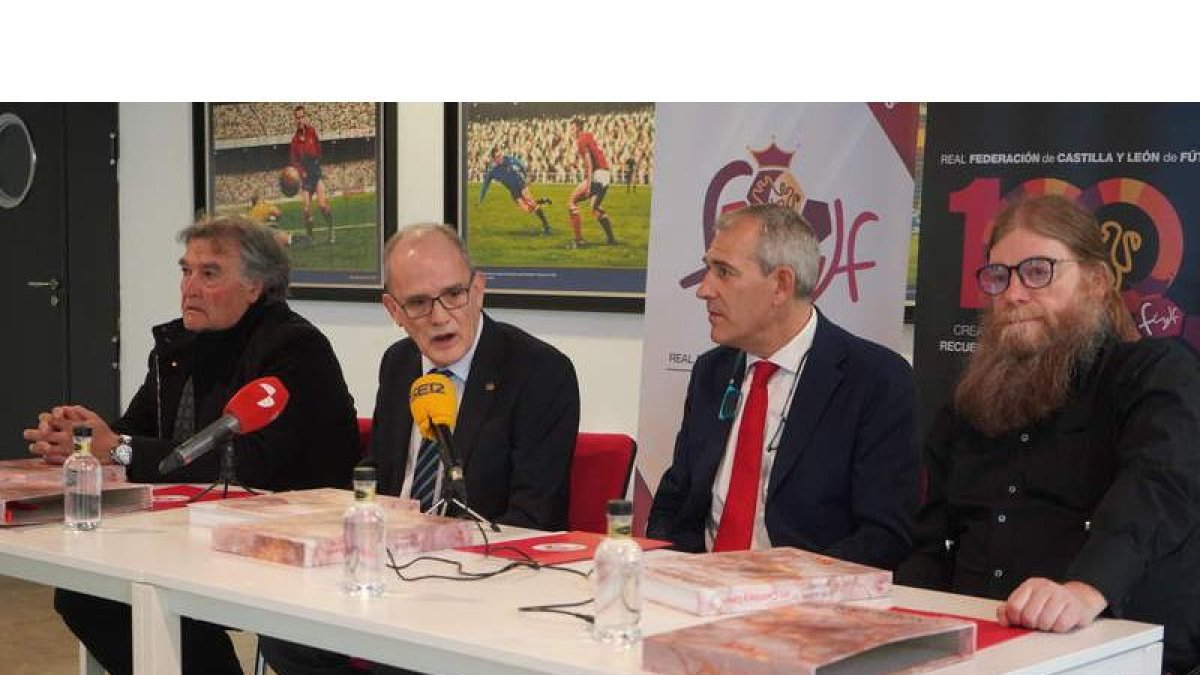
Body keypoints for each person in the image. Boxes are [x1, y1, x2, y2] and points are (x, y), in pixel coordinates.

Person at [23, 214, 361, 675]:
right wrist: (79, 438)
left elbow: (244, 465)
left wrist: (117, 447)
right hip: (190, 528)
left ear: (256, 286)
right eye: (186, 271)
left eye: (209, 274)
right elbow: (134, 429)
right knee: (88, 594)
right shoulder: (178, 346)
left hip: (283, 540)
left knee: (139, 591)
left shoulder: (293, 349)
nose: (190, 287)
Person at [259, 223, 581, 675]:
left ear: (479, 288)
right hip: (389, 570)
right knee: (283, 630)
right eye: (418, 302)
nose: (440, 315)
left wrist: (431, 560)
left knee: (403, 657)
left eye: (454, 293)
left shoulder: (539, 372)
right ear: (393, 309)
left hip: (479, 582)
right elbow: (380, 474)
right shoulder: (399, 364)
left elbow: (534, 516)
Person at [896, 195, 1200, 673]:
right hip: (974, 652)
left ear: (1097, 282)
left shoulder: (1152, 374)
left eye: (1039, 271)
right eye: (1000, 276)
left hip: (1107, 650)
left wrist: (1085, 589)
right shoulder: (969, 404)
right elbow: (930, 542)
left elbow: (1159, 487)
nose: (1013, 294)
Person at [647, 203, 917, 570]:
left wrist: (779, 586)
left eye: (724, 272)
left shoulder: (875, 381)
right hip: (700, 594)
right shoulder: (712, 372)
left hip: (806, 606)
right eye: (708, 268)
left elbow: (884, 537)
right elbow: (674, 504)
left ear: (781, 285)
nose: (704, 289)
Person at [567, 116, 617, 248]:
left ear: (577, 128)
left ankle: (579, 241)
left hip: (598, 175)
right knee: (594, 207)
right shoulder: (588, 136)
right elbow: (593, 159)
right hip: (606, 175)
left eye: (572, 128)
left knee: (572, 202)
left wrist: (589, 186)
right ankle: (611, 239)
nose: (570, 131)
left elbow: (589, 164)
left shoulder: (580, 141)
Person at [479, 147, 553, 235]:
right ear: (494, 159)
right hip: (513, 191)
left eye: (500, 155)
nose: (500, 158)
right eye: (498, 157)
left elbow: (520, 164)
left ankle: (547, 226)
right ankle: (542, 201)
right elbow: (485, 184)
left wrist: (525, 176)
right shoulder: (493, 171)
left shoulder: (508, 159)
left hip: (520, 184)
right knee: (527, 209)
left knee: (531, 202)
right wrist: (481, 197)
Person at [289, 104, 335, 244]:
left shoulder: (312, 132)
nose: (300, 120)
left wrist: (315, 166)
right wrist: (302, 172)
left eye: (302, 117)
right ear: (294, 120)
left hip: (315, 174)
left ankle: (331, 231)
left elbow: (318, 151)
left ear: (305, 117)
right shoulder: (294, 141)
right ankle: (311, 237)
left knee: (322, 205)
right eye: (297, 118)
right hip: (305, 177)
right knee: (306, 210)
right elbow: (294, 161)